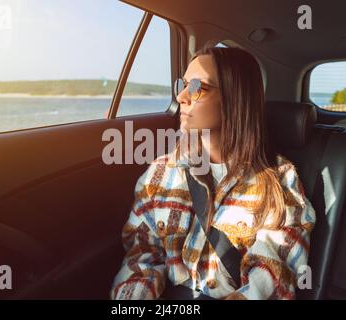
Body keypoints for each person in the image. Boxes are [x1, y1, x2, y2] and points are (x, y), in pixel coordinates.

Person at [110, 45, 316, 300]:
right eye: (183, 85)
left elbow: (271, 278)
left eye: (198, 87)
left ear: (235, 98)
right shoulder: (161, 172)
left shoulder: (280, 182)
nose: (182, 97)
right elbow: (142, 257)